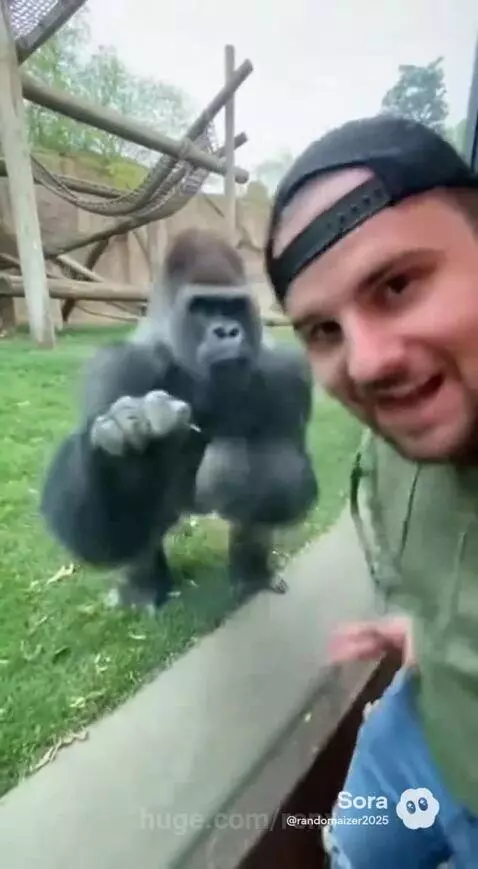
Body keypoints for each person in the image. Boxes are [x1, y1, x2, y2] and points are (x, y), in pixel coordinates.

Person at [264, 114, 478, 868]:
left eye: (397, 284)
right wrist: (433, 631)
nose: (367, 362)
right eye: (323, 330)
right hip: (420, 726)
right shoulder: (393, 444)